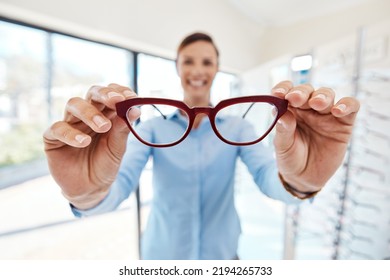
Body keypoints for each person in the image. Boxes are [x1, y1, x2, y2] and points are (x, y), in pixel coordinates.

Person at [43, 32, 360, 259]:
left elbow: (268, 177)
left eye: (206, 62)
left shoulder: (240, 128)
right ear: (177, 67)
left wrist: (302, 183)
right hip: (162, 260)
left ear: (216, 69)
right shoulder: (151, 129)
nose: (197, 70)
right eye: (189, 61)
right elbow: (120, 184)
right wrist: (87, 195)